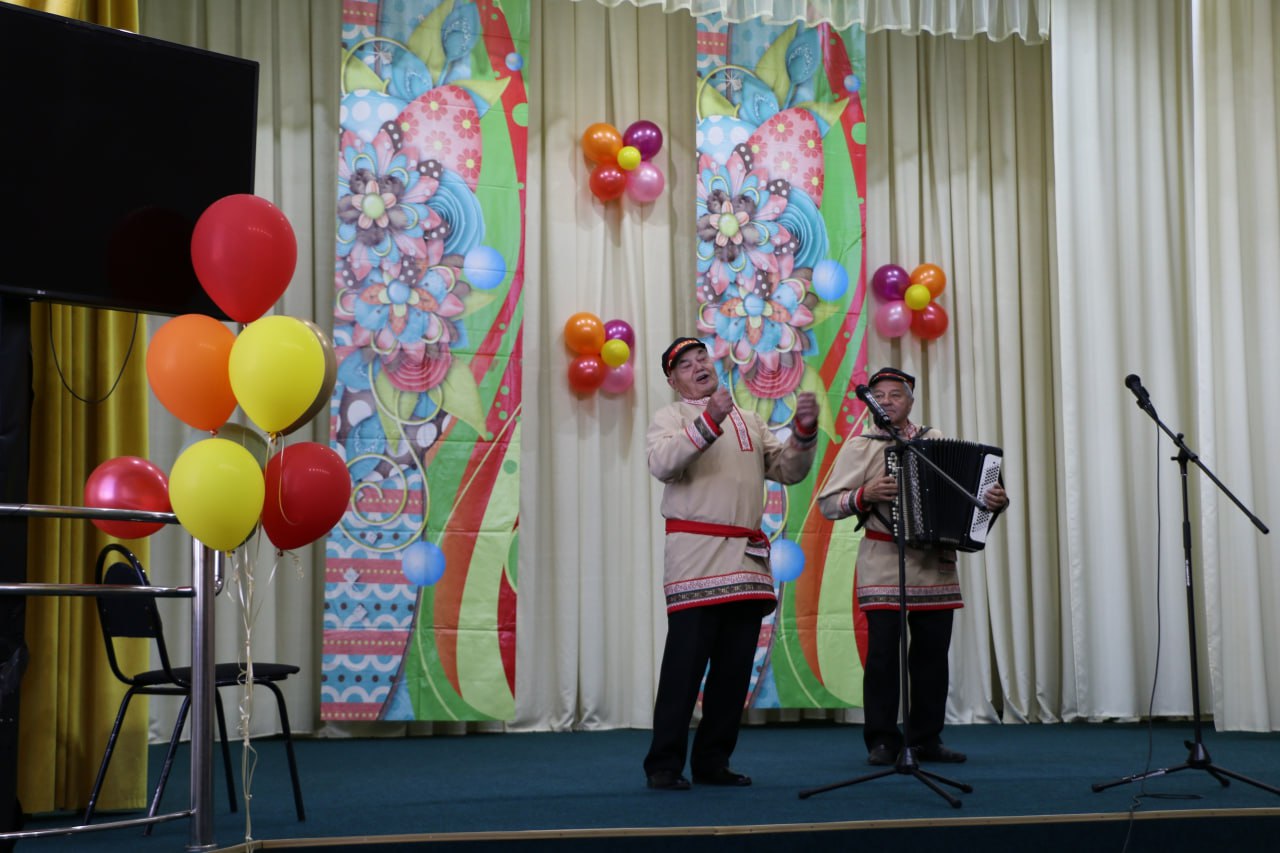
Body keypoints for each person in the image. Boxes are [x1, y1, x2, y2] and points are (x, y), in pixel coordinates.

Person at [643, 336, 819, 790]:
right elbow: (662, 464)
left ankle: (712, 762)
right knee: (684, 669)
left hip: (746, 562)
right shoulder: (670, 417)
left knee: (733, 671)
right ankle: (663, 765)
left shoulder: (751, 420)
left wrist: (803, 432)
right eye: (685, 364)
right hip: (696, 560)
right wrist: (711, 418)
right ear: (673, 381)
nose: (698, 365)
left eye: (701, 356)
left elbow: (788, 470)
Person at [817, 367, 1007, 767]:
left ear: (911, 402)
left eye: (895, 395)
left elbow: (971, 496)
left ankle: (926, 739)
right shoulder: (860, 447)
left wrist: (992, 502)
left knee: (932, 656)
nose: (886, 402)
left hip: (934, 564)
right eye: (879, 395)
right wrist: (864, 494)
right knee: (883, 657)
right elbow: (828, 504)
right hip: (882, 561)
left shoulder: (934, 440)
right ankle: (882, 741)